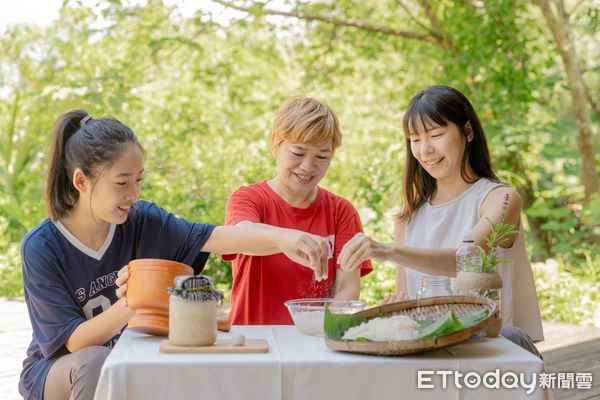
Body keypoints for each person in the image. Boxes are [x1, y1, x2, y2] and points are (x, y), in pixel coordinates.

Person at [19, 110, 330, 400]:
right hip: (60, 371)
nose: (134, 193)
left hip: (127, 359)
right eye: (122, 182)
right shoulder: (42, 246)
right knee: (95, 360)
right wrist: (133, 299)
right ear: (81, 181)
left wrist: (284, 237)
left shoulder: (143, 220)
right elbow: (75, 342)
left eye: (139, 179)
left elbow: (219, 237)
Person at [338, 85, 544, 353]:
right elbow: (412, 302)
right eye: (415, 139)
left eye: (436, 135)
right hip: (432, 355)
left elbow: (466, 259)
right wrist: (396, 309)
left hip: (492, 352)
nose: (425, 149)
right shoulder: (408, 218)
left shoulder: (500, 199)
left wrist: (387, 251)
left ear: (468, 132)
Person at [223, 96, 373, 325]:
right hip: (256, 340)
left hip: (315, 342)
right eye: (298, 153)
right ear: (275, 144)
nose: (308, 166)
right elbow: (241, 234)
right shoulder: (249, 199)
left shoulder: (341, 211)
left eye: (322, 156)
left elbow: (346, 289)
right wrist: (285, 238)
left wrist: (324, 333)